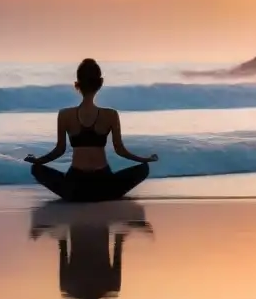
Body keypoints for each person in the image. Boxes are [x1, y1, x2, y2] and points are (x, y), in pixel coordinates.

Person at [25, 58, 157, 202]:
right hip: (104, 185)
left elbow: (59, 150)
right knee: (144, 169)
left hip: (74, 187)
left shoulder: (64, 115)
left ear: (77, 84)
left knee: (36, 169)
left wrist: (37, 161)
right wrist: (145, 159)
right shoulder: (111, 115)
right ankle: (106, 195)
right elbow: (120, 150)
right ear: (100, 84)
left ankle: (77, 196)